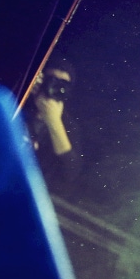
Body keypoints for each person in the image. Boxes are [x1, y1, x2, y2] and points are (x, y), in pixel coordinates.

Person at [25, 58, 82, 193]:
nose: (55, 88)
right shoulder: (19, 101)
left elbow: (70, 171)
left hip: (27, 194)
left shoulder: (68, 126)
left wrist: (54, 121)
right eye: (51, 80)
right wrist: (27, 83)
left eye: (62, 85)